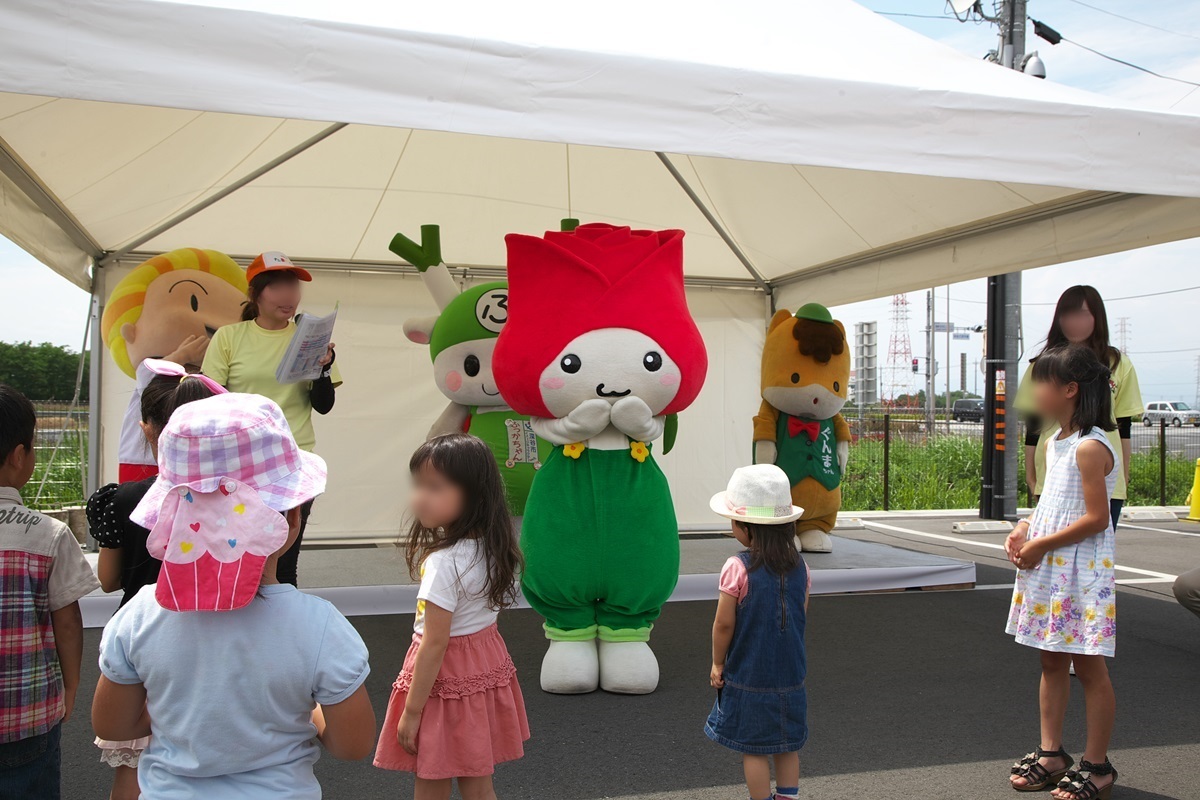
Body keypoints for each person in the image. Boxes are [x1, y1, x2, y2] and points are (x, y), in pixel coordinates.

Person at [91, 393, 375, 799]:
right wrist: (311, 716)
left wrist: (175, 716)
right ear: (292, 518)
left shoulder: (140, 615)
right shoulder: (319, 625)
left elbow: (112, 726)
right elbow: (352, 744)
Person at [85, 361, 223, 800]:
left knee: (132, 764)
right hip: (211, 629)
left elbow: (108, 580)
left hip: (139, 636)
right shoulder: (235, 500)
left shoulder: (123, 499)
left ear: (149, 429)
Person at [374, 433, 530, 799]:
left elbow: (435, 642)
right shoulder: (493, 548)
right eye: (417, 485)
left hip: (442, 684)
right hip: (481, 670)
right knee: (477, 778)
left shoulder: (444, 562)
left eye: (435, 487)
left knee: (432, 776)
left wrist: (411, 712)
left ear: (472, 494)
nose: (419, 497)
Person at [1004, 344, 1120, 800]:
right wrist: (1024, 526)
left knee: (1090, 668)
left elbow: (1096, 518)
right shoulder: (1056, 441)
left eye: (1040, 381)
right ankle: (1051, 754)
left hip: (1079, 572)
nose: (1033, 390)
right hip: (1051, 565)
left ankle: (1097, 765)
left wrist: (1040, 545)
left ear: (1069, 390)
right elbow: (1050, 504)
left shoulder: (1091, 446)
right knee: (1051, 658)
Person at [201, 251, 339, 585]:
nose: (289, 296)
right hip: (242, 462)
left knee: (284, 560)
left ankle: (282, 633)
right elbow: (209, 399)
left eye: (293, 287)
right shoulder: (230, 338)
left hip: (295, 460)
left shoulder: (309, 337)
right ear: (256, 293)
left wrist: (324, 370)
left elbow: (323, 405)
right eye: (277, 287)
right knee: (239, 553)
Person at [0, 384, 101, 800]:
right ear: (20, 456)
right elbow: (68, 619)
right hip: (26, 720)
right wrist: (71, 685)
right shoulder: (48, 534)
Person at [704, 464, 809, 800]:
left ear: (746, 528)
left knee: (754, 749)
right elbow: (799, 613)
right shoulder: (800, 567)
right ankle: (788, 797)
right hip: (790, 672)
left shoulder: (737, 567)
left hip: (750, 674)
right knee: (786, 744)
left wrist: (718, 663)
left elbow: (723, 623)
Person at [1015, 286, 1143, 531]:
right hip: (1054, 471)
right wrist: (1031, 477)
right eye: (1068, 315)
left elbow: (1123, 425)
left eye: (1083, 314)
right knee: (1049, 545)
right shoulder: (1042, 365)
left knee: (1095, 549)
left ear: (1097, 318)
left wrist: (1124, 475)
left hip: (1104, 472)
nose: (1074, 322)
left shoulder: (1118, 364)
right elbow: (1033, 424)